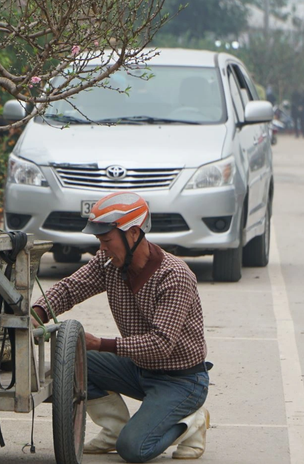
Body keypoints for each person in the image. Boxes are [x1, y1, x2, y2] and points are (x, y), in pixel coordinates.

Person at [32, 192, 210, 462]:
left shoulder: (174, 276)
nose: (101, 248)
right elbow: (70, 288)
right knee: (73, 360)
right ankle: (114, 429)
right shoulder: (109, 263)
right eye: (99, 241)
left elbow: (161, 345)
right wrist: (39, 311)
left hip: (180, 380)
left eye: (106, 240)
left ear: (134, 233)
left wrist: (101, 344)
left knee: (134, 449)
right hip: (138, 368)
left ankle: (191, 421)